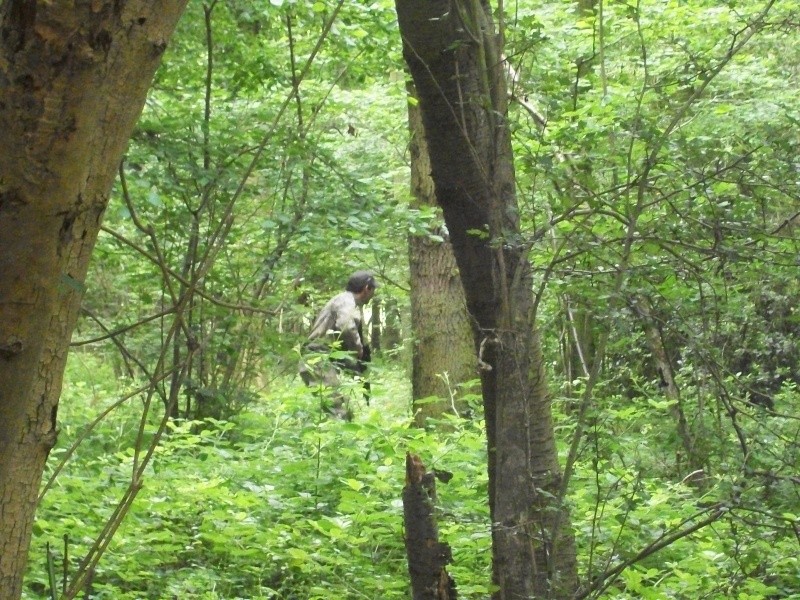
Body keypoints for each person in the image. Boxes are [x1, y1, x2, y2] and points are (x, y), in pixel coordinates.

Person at [299, 270, 378, 418]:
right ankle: (340, 438)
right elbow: (346, 325)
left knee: (335, 406)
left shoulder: (348, 302)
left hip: (323, 357)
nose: (374, 293)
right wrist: (358, 348)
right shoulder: (346, 300)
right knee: (336, 409)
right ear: (367, 288)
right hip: (316, 357)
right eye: (373, 289)